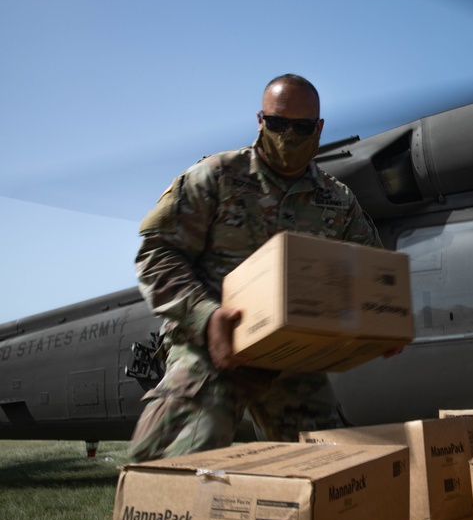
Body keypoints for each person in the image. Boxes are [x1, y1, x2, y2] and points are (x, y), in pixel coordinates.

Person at [127, 74, 382, 462]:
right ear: (260, 120)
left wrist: (380, 324)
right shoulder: (216, 177)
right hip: (211, 345)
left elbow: (370, 270)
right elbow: (156, 253)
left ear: (319, 128)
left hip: (291, 354)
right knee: (176, 460)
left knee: (334, 467)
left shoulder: (337, 200)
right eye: (278, 124)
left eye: (302, 126)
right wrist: (206, 317)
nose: (289, 136)